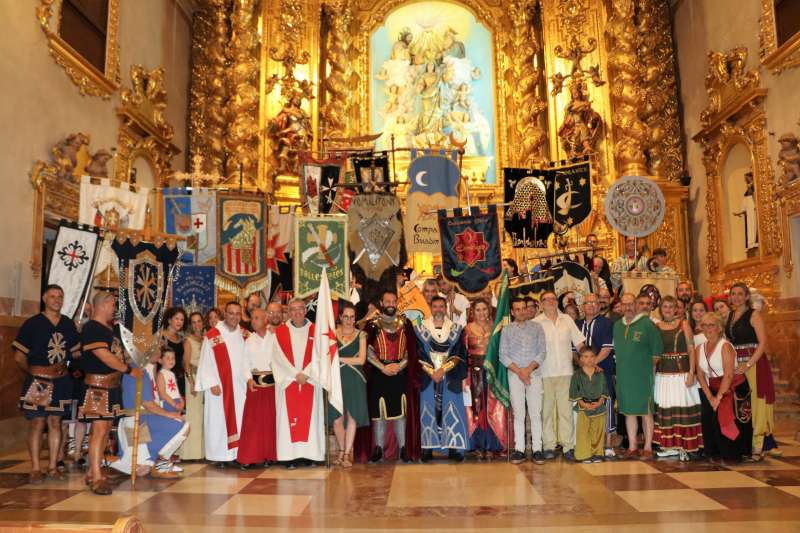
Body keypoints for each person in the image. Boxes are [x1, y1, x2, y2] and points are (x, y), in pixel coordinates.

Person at [12, 284, 80, 483]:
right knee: (37, 422)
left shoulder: (67, 323)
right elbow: (18, 357)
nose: (57, 300)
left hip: (61, 380)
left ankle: (52, 466)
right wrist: (33, 373)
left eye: (60, 296)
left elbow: (75, 351)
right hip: (38, 381)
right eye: (52, 296)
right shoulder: (32, 324)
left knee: (55, 422)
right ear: (44, 298)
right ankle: (35, 468)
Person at [78, 291, 143, 495]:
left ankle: (92, 470)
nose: (114, 308)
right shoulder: (92, 328)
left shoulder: (111, 329)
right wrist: (129, 370)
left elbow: (119, 353)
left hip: (112, 386)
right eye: (113, 304)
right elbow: (104, 356)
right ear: (103, 305)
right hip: (98, 388)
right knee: (99, 431)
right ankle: (97, 478)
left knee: (105, 431)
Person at [112, 351, 188, 479]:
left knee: (180, 422)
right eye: (156, 350)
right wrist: (169, 414)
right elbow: (148, 404)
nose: (159, 354)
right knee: (183, 425)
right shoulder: (138, 371)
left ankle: (153, 461)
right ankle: (156, 462)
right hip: (139, 420)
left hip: (139, 418)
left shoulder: (139, 369)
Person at [725, 283, 777, 461]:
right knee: (741, 405)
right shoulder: (730, 315)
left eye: (740, 294)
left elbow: (762, 343)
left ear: (747, 297)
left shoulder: (753, 315)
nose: (736, 297)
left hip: (754, 365)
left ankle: (758, 446)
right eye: (733, 294)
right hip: (736, 366)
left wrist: (747, 364)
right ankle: (745, 444)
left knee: (757, 404)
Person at [415, 296, 469, 462]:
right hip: (428, 377)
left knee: (452, 409)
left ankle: (453, 448)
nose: (438, 309)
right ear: (431, 308)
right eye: (435, 306)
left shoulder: (456, 329)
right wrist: (432, 372)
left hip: (450, 377)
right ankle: (427, 448)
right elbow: (418, 352)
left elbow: (459, 353)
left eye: (441, 306)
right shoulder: (419, 329)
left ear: (446, 308)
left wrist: (443, 370)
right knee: (427, 410)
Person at [272, 299, 325, 467]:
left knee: (311, 419)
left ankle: (310, 455)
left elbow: (321, 355)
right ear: (288, 312)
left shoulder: (316, 331)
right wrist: (295, 375)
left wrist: (307, 374)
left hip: (310, 382)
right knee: (289, 420)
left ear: (305, 310)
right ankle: (290, 457)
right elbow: (277, 358)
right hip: (289, 383)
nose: (297, 313)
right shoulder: (280, 332)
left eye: (300, 309)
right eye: (293, 310)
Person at [195, 302, 249, 467]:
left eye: (237, 314)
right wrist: (211, 382)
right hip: (220, 387)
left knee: (239, 420)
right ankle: (220, 457)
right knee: (219, 422)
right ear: (225, 314)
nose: (234, 317)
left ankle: (237, 455)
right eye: (231, 313)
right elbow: (205, 360)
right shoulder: (213, 335)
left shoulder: (244, 334)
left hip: (239, 388)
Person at [534, 291, 585, 461]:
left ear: (557, 302)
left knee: (566, 412)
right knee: (546, 412)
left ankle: (568, 446)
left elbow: (579, 343)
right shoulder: (536, 323)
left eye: (553, 299)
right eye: (546, 299)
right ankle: (548, 446)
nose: (550, 302)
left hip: (565, 372)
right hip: (544, 373)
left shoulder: (567, 320)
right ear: (541, 304)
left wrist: (588, 362)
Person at [364, 291, 414, 463]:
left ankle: (403, 449)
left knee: (400, 413)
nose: (391, 304)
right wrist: (383, 367)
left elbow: (411, 352)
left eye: (394, 301)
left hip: (400, 374)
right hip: (379, 374)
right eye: (388, 301)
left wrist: (399, 366)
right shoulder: (372, 325)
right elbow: (368, 351)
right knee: (380, 413)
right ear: (382, 302)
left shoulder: (406, 324)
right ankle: (378, 448)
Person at [697, 312, 752, 463]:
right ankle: (715, 453)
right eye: (704, 325)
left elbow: (728, 375)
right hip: (713, 387)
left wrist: (719, 397)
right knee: (709, 418)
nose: (708, 328)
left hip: (733, 386)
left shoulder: (725, 346)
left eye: (711, 325)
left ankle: (733, 454)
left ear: (719, 327)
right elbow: (700, 375)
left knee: (726, 418)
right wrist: (710, 397)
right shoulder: (699, 348)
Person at [613, 293, 663, 460]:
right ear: (620, 306)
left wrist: (650, 370)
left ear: (635, 305)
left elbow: (657, 350)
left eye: (630, 303)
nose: (628, 307)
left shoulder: (646, 324)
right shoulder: (617, 326)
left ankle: (648, 447)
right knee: (628, 412)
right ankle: (633, 446)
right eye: (624, 304)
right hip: (624, 376)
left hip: (642, 376)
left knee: (645, 411)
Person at [653, 296, 703, 460]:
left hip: (681, 374)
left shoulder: (684, 324)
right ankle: (670, 446)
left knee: (682, 408)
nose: (667, 309)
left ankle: (686, 446)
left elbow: (691, 350)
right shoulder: (657, 327)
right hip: (663, 375)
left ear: (676, 309)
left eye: (671, 306)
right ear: (661, 309)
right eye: (665, 306)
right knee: (667, 409)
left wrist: (691, 372)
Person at [500, 298, 546, 464]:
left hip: (534, 374)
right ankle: (519, 449)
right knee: (518, 414)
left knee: (535, 413)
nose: (521, 312)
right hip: (515, 375)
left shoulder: (537, 328)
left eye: (523, 308)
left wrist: (528, 370)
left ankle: (537, 450)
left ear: (527, 310)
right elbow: (503, 355)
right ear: (512, 312)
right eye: (517, 309)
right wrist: (520, 371)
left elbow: (542, 352)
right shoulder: (506, 330)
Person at [465, 299, 507, 458]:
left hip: (492, 373)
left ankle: (493, 445)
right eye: (478, 310)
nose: (481, 313)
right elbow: (463, 353)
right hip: (473, 373)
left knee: (492, 407)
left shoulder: (495, 328)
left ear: (489, 311)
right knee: (476, 408)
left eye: (484, 309)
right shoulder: (467, 329)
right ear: (472, 312)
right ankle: (476, 444)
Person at [575, 294, 616, 458]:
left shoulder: (607, 324)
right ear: (582, 306)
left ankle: (607, 444)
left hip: (602, 370)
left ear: (599, 305)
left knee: (604, 404)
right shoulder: (577, 324)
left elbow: (607, 348)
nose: (591, 305)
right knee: (584, 406)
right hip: (582, 373)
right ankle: (587, 443)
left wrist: (591, 363)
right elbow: (574, 349)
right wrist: (583, 365)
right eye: (587, 302)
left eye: (594, 302)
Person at [329, 302, 369, 467]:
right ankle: (341, 450)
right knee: (337, 419)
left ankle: (346, 454)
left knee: (352, 417)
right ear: (340, 317)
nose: (349, 320)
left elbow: (361, 359)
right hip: (337, 379)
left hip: (355, 378)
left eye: (352, 317)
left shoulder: (362, 335)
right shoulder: (332, 334)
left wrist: (338, 359)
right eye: (346, 316)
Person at [237, 308, 278, 468]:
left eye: (256, 318)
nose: (253, 321)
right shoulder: (249, 340)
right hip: (255, 386)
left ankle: (270, 455)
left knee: (270, 422)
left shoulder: (274, 338)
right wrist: (248, 379)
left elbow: (279, 360)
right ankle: (249, 457)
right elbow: (244, 362)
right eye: (252, 318)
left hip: (272, 387)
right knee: (252, 423)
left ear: (265, 319)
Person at [570, 347, 609, 463]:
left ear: (595, 357)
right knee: (583, 432)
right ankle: (584, 454)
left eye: (592, 356)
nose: (589, 359)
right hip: (583, 407)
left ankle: (597, 453)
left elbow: (605, 390)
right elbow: (574, 392)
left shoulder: (600, 374)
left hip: (599, 407)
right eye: (586, 357)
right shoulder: (577, 375)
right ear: (580, 359)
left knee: (598, 432)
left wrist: (600, 401)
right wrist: (583, 404)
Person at [179, 311, 205, 460]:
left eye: (199, 321)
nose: (197, 325)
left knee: (201, 416)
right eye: (194, 322)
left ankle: (201, 452)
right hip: (193, 380)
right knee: (193, 416)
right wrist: (191, 382)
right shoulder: (188, 340)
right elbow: (186, 363)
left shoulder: (205, 339)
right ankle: (190, 453)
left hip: (203, 380)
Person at [161, 307, 188, 397]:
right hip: (164, 379)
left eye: (182, 320)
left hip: (179, 379)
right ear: (169, 320)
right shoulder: (160, 336)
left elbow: (184, 361)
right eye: (176, 318)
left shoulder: (181, 338)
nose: (179, 322)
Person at [157, 348, 185, 416]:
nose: (171, 360)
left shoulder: (172, 374)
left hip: (176, 402)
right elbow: (162, 393)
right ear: (160, 360)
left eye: (173, 358)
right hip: (168, 403)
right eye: (168, 358)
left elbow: (176, 390)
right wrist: (175, 405)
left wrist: (181, 401)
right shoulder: (161, 374)